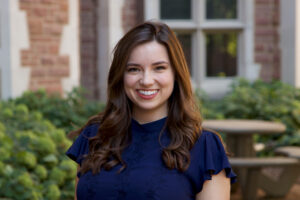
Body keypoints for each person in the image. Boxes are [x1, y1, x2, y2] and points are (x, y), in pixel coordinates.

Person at [66, 21, 236, 200]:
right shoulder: (94, 137)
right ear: (120, 76)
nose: (146, 80)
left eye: (159, 68)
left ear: (176, 74)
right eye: (134, 69)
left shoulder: (204, 147)